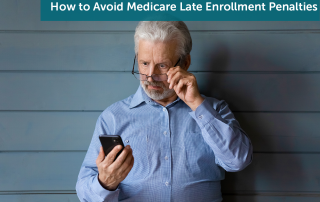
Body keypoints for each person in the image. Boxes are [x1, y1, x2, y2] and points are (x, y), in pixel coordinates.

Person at [76, 21, 253, 202]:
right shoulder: (113, 117)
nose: (150, 75)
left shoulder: (214, 110)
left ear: (185, 63)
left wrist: (197, 105)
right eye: (144, 63)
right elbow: (84, 192)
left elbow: (238, 161)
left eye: (162, 65)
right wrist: (105, 182)